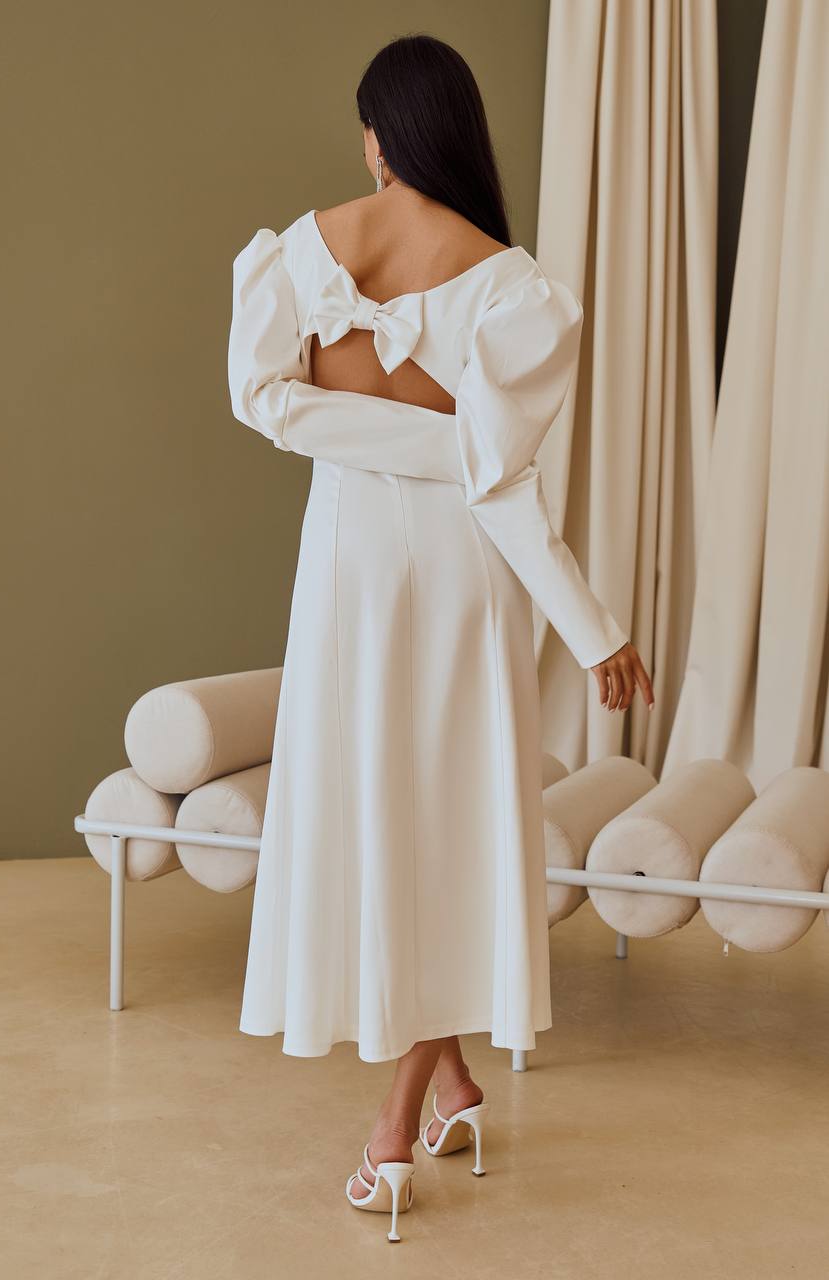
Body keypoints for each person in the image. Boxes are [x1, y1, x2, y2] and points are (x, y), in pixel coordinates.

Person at [227, 32, 654, 1243]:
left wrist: (344, 385)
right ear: (456, 132)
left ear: (376, 138)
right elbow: (497, 479)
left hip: (352, 568)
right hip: (461, 579)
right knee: (437, 820)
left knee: (400, 819)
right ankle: (454, 1082)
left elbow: (267, 401)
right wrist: (455, 441)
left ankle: (395, 1122)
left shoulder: (307, 253)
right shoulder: (512, 289)